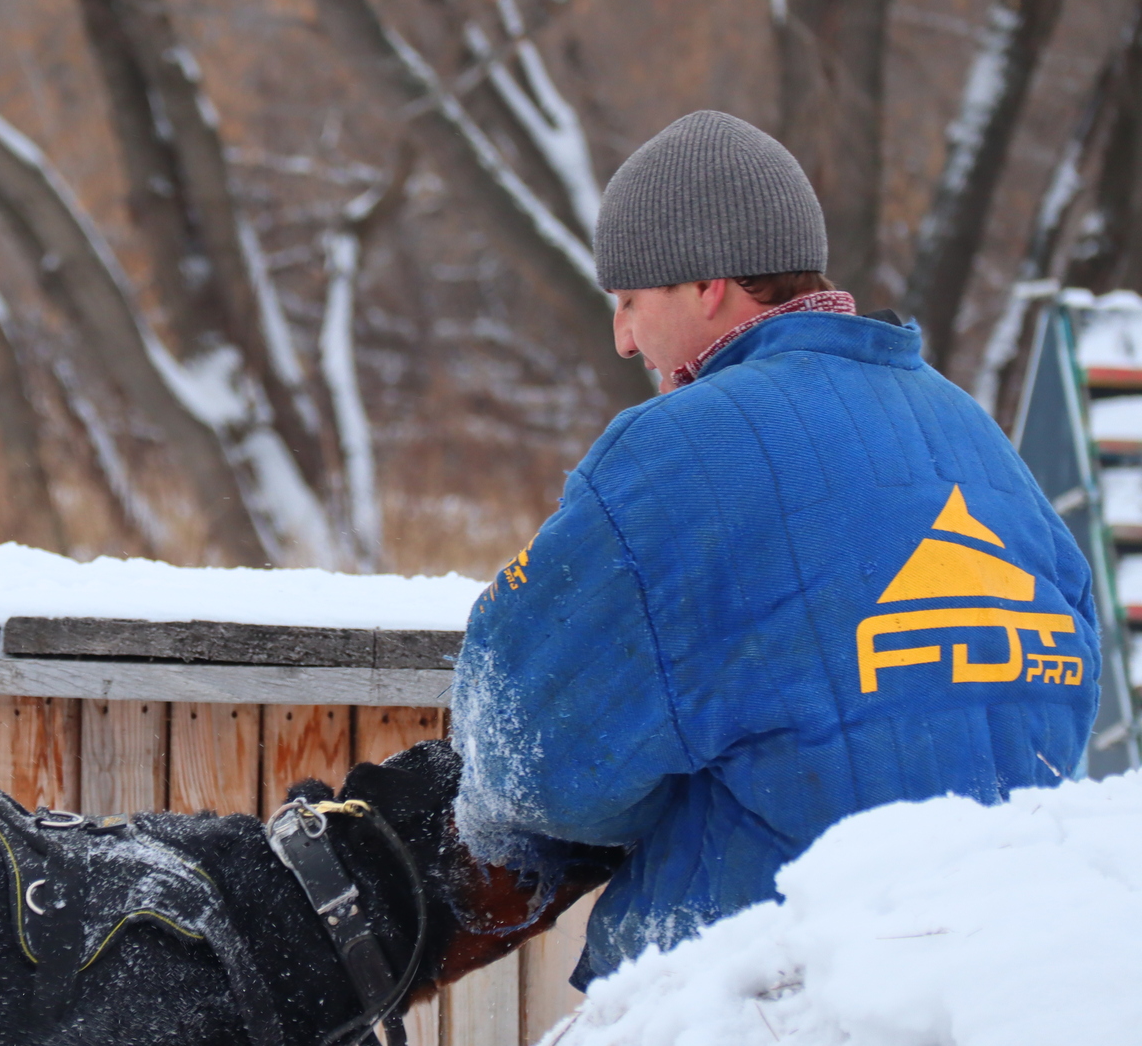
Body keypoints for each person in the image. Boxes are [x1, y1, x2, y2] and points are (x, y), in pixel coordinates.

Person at [449, 110, 1100, 988]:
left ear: (708, 284)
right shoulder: (974, 437)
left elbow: (524, 757)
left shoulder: (677, 452)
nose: (624, 339)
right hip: (1006, 990)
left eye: (631, 302)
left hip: (760, 1009)